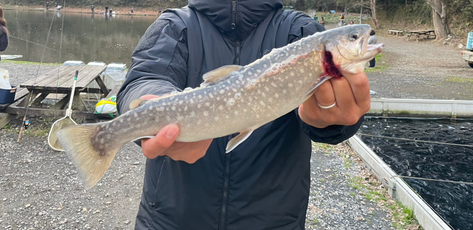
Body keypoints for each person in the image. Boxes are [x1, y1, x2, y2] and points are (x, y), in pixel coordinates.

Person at [116, 0, 370, 229]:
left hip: (276, 220)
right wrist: (154, 105)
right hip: (168, 219)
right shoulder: (174, 25)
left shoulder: (301, 32)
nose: (361, 38)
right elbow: (144, 79)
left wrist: (333, 122)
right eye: (354, 36)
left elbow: (332, 115)